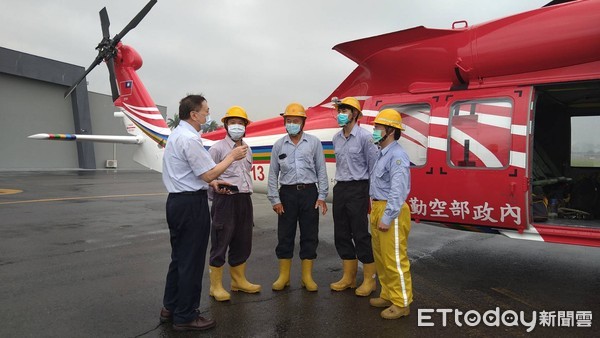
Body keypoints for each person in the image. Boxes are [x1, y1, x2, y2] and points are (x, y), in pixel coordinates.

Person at [160, 94, 249, 331]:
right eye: (206, 111)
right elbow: (207, 173)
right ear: (194, 114)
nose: (207, 115)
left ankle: (170, 307)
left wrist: (212, 183)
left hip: (177, 202)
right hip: (190, 205)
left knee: (179, 258)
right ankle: (186, 315)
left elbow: (195, 175)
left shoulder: (177, 135)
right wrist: (231, 156)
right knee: (191, 261)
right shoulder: (190, 139)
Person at [267, 102, 329, 292]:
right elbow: (272, 174)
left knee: (309, 235)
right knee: (285, 235)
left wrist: (322, 196)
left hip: (309, 193)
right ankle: (283, 277)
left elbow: (321, 170)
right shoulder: (279, 145)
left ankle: (306, 277)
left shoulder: (314, 143)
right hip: (287, 194)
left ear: (303, 122)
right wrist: (275, 199)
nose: (291, 123)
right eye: (288, 120)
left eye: (295, 120)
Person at [207, 106, 261, 302]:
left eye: (240, 123)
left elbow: (246, 173)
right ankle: (216, 286)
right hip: (225, 199)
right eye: (232, 123)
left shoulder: (247, 150)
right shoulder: (217, 148)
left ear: (246, 126)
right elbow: (208, 175)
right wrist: (216, 200)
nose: (236, 126)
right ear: (226, 125)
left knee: (243, 240)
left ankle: (238, 281)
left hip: (244, 199)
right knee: (221, 240)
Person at [330, 97, 379, 296]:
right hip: (340, 188)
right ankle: (348, 277)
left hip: (358, 188)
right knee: (341, 234)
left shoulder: (367, 137)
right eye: (339, 110)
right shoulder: (336, 138)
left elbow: (374, 168)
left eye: (345, 110)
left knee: (360, 233)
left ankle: (369, 280)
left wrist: (373, 196)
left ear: (355, 114)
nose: (340, 113)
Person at [368, 108, 412, 320]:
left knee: (394, 258)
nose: (374, 131)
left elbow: (398, 190)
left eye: (377, 127)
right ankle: (388, 294)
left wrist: (387, 216)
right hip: (378, 207)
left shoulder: (397, 156)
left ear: (390, 131)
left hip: (390, 210)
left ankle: (402, 302)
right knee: (381, 257)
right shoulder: (381, 153)